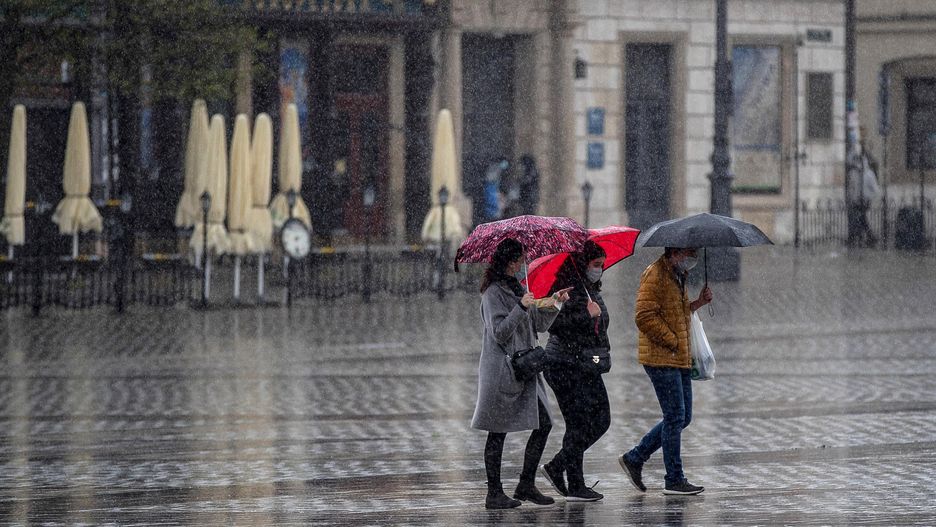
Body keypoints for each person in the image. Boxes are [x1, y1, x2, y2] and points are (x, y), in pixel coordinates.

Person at [471, 238, 571, 509]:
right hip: (502, 370)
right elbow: (500, 332)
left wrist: (555, 304)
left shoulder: (519, 288)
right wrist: (521, 306)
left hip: (526, 367)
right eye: (518, 261)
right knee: (497, 430)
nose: (521, 265)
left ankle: (525, 484)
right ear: (507, 262)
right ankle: (494, 493)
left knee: (544, 423)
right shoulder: (492, 293)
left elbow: (537, 324)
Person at [618, 247, 712, 496]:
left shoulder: (677, 275)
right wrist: (671, 339)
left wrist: (697, 304)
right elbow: (644, 315)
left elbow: (677, 313)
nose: (691, 259)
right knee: (674, 416)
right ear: (674, 253)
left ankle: (635, 458)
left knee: (684, 416)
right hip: (662, 356)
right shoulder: (655, 274)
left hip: (678, 355)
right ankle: (674, 478)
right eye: (688, 254)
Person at [541, 240, 611, 502]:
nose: (600, 270)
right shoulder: (566, 288)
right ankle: (570, 479)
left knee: (598, 419)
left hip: (586, 362)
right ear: (583, 264)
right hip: (564, 364)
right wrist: (587, 316)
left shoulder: (589, 287)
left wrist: (596, 318)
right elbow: (554, 324)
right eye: (596, 265)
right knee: (580, 422)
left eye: (602, 265)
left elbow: (599, 324)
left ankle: (567, 475)